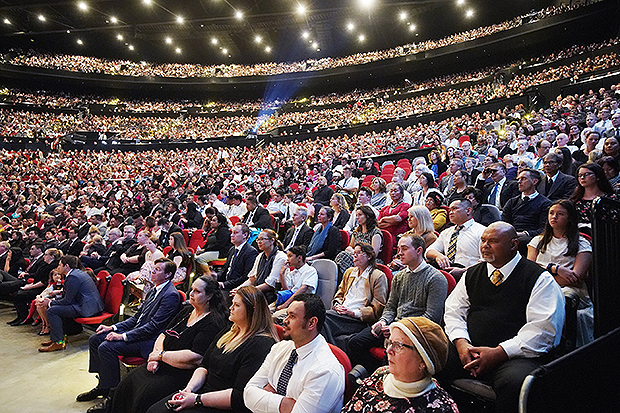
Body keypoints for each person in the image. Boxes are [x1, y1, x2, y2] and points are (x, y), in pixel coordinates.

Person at [441, 222, 565, 413]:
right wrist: (461, 343)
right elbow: (454, 311)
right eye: (483, 240)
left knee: (517, 383)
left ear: (514, 244)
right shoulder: (472, 274)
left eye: (493, 241)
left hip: (515, 356)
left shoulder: (538, 278)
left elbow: (543, 331)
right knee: (429, 359)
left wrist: (499, 352)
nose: (485, 246)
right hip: (469, 349)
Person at [146, 286, 278, 413]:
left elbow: (239, 395)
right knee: (154, 409)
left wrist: (197, 400)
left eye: (237, 305)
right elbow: (204, 365)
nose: (230, 308)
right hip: (202, 392)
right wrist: (189, 389)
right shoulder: (229, 330)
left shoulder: (261, 344)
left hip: (223, 404)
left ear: (252, 310)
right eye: (232, 303)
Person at [108, 276, 229, 413]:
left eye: (197, 291)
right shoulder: (188, 310)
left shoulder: (213, 322)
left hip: (181, 372)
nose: (191, 293)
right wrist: (155, 357)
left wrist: (160, 355)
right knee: (127, 383)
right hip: (162, 362)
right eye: (192, 289)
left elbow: (195, 357)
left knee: (144, 394)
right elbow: (163, 334)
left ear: (210, 296)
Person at [77, 258, 182, 404]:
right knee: (96, 338)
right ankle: (103, 385)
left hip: (149, 340)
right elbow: (137, 318)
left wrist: (122, 336)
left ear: (168, 275)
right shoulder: (154, 290)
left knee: (107, 347)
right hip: (138, 333)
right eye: (154, 268)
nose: (152, 271)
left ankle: (112, 395)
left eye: (157, 269)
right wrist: (112, 328)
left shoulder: (170, 295)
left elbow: (153, 327)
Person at [347, 234, 448, 371]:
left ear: (419, 251)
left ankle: (384, 380)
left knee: (391, 352)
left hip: (415, 332)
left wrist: (398, 328)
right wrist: (383, 321)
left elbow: (431, 317)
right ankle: (371, 374)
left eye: (404, 249)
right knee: (355, 343)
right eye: (398, 248)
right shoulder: (399, 276)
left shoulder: (436, 278)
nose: (399, 253)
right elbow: (390, 307)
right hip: (394, 325)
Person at [244, 293, 345, 413]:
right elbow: (248, 393)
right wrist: (284, 404)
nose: (285, 321)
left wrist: (265, 396)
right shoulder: (280, 348)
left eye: (292, 316)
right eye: (287, 315)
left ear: (311, 323)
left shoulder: (324, 371)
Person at [342, 317, 458, 413]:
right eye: (390, 343)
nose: (388, 351)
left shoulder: (441, 408)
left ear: (423, 361)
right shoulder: (381, 373)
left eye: (398, 345)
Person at [527, 200, 594, 347]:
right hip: (540, 286)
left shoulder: (581, 242)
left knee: (562, 298)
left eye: (560, 214)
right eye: (551, 213)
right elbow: (530, 269)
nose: (554, 217)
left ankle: (560, 346)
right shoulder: (537, 241)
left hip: (571, 291)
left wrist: (545, 275)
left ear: (569, 218)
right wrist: (556, 269)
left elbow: (575, 278)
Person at [322, 242, 388, 351]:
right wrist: (337, 305)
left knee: (322, 317)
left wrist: (353, 313)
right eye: (354, 253)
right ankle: (334, 352)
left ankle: (331, 352)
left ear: (369, 256)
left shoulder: (378, 276)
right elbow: (339, 294)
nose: (355, 256)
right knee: (321, 317)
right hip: (341, 314)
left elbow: (377, 309)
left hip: (357, 319)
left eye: (359, 253)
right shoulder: (349, 272)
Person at [39, 254, 104, 352]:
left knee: (52, 310)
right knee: (59, 309)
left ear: (67, 266)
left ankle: (58, 342)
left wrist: (50, 303)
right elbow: (70, 294)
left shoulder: (73, 277)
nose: (58, 267)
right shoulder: (76, 273)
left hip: (86, 308)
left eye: (60, 265)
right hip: (88, 304)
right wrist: (57, 295)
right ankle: (60, 337)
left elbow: (67, 300)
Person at [426, 199, 486, 280]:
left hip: (471, 276)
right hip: (446, 275)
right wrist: (438, 255)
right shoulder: (446, 232)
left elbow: (485, 261)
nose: (450, 212)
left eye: (454, 209)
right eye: (449, 210)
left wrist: (463, 271)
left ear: (468, 210)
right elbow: (428, 251)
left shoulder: (482, 232)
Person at [2, 242, 58, 323]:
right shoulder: (45, 264)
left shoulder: (52, 266)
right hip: (34, 284)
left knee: (18, 295)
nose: (44, 256)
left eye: (46, 255)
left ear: (52, 256)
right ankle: (21, 317)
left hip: (43, 289)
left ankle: (25, 317)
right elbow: (36, 276)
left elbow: (44, 282)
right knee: (15, 293)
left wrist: (29, 287)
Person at [501, 168, 552, 253]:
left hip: (531, 237)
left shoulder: (545, 203)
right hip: (512, 234)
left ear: (534, 182)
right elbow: (504, 222)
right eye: (518, 179)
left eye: (523, 179)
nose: (519, 182)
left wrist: (526, 233)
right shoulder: (512, 202)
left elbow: (543, 228)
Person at [235, 229, 287, 304]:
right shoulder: (260, 256)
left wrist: (249, 292)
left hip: (272, 295)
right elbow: (252, 279)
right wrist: (239, 289)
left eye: (262, 239)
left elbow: (270, 284)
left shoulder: (280, 257)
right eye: (258, 239)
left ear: (272, 241)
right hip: (258, 292)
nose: (259, 242)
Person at [271, 246, 318, 321]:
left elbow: (303, 288)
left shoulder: (310, 271)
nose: (287, 259)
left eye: (290, 256)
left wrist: (285, 304)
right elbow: (287, 290)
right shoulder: (292, 272)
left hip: (302, 304)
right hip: (289, 300)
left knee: (275, 316)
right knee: (265, 311)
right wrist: (281, 274)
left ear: (299, 258)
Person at [334, 205, 382, 275]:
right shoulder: (356, 232)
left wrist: (355, 252)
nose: (357, 217)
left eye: (360, 215)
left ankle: (346, 279)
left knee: (343, 257)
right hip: (356, 257)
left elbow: (374, 253)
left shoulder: (375, 233)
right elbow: (350, 246)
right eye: (356, 215)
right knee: (342, 256)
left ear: (367, 216)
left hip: (368, 259)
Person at [570, 162, 618, 231]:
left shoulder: (611, 199)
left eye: (586, 174)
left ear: (597, 176)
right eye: (580, 175)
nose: (582, 177)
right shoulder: (575, 201)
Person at [217, 223, 259, 295]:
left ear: (245, 235)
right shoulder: (232, 249)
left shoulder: (251, 252)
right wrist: (215, 276)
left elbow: (245, 277)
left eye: (235, 233)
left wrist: (224, 284)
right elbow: (225, 270)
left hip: (236, 288)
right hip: (226, 284)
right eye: (232, 233)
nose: (231, 235)